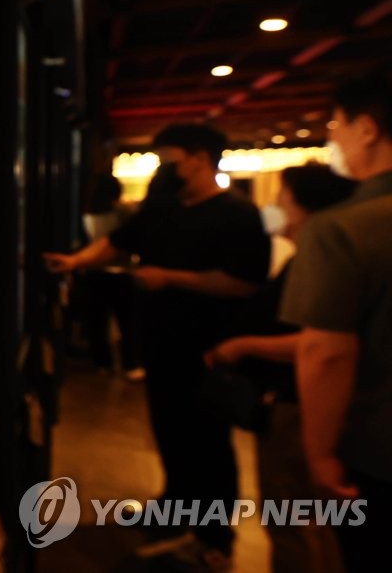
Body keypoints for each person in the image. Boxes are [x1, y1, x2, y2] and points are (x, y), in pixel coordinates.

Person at [44, 123, 270, 570]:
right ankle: (172, 509)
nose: (165, 170)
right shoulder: (164, 209)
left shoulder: (238, 215)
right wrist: (74, 261)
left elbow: (244, 283)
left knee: (209, 441)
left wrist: (170, 278)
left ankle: (214, 537)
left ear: (200, 159)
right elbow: (116, 243)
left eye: (171, 160)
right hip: (162, 343)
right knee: (169, 430)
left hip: (210, 348)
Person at [205, 163, 356, 573]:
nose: (275, 208)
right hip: (299, 400)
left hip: (299, 404)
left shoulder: (319, 262)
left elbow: (320, 344)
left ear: (308, 208)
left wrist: (243, 345)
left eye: (283, 200)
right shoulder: (315, 257)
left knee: (294, 518)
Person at [278, 72, 392, 573]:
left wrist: (320, 455)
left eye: (336, 126)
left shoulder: (342, 227)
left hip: (377, 452)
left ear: (366, 129)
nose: (334, 139)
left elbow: (325, 351)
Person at [79, 172, 143, 379]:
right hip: (122, 272)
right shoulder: (122, 212)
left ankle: (102, 363)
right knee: (127, 322)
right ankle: (130, 364)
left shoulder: (86, 213)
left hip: (93, 272)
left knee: (98, 322)